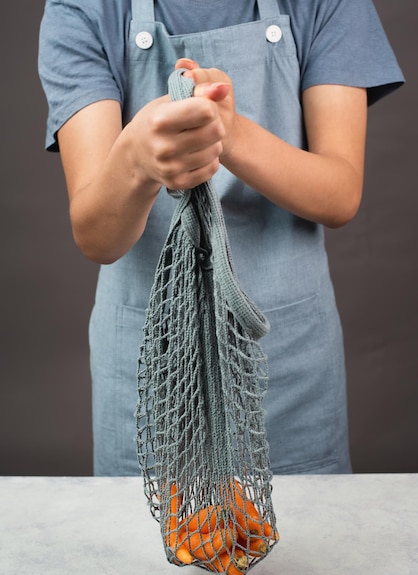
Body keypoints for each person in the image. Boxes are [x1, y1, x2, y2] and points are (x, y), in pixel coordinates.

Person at [38, 0, 404, 476]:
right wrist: (134, 160)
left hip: (289, 364)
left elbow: (339, 194)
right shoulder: (83, 9)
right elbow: (97, 236)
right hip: (152, 368)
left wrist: (228, 132)